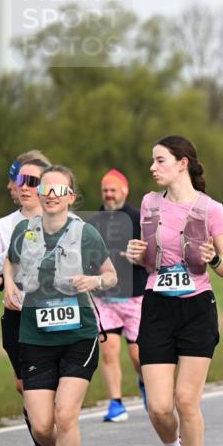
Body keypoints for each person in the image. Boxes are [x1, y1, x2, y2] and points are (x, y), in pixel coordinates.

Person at [122, 136, 223, 446]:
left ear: (182, 163)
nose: (152, 167)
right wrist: (136, 254)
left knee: (186, 400)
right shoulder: (149, 204)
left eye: (160, 160)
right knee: (158, 407)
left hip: (197, 308)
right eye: (152, 160)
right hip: (157, 307)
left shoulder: (211, 209)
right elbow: (149, 258)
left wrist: (214, 258)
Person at [3, 165, 117, 446]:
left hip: (78, 336)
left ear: (71, 197)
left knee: (65, 416)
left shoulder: (86, 233)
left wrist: (94, 281)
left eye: (59, 190)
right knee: (41, 427)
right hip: (35, 336)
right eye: (46, 189)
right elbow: (10, 261)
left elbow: (111, 275)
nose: (51, 195)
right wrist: (9, 283)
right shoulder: (24, 230)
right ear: (38, 194)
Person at [0, 152, 52, 446]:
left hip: (56, 314)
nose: (23, 186)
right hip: (18, 317)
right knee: (25, 385)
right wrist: (12, 250)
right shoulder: (3, 226)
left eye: (32, 181)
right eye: (21, 180)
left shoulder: (61, 221)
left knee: (55, 389)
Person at [88, 169, 148, 422]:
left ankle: (145, 382)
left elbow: (150, 253)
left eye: (113, 190)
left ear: (124, 191)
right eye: (105, 190)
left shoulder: (138, 218)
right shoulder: (93, 222)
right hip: (105, 298)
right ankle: (116, 403)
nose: (109, 194)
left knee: (138, 356)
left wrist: (136, 257)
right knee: (109, 351)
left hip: (135, 296)